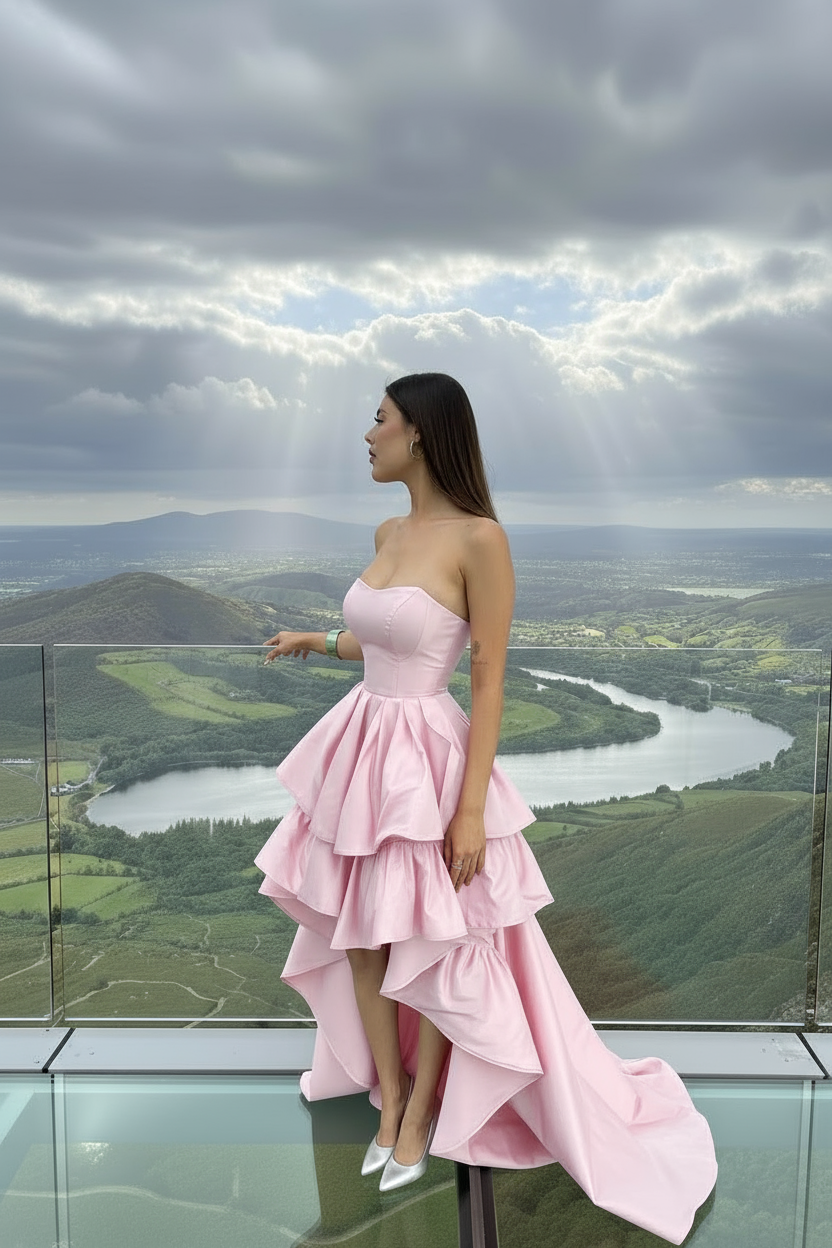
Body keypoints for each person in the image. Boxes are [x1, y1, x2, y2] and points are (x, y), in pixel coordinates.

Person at [255, 373, 717, 1241]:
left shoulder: (481, 539)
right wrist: (321, 640)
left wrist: (469, 812)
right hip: (361, 750)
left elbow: (488, 672)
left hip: (428, 761)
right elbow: (387, 635)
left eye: (379, 419)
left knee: (437, 938)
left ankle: (426, 1108)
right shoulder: (389, 528)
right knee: (361, 931)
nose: (367, 434)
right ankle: (387, 1099)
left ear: (421, 434)